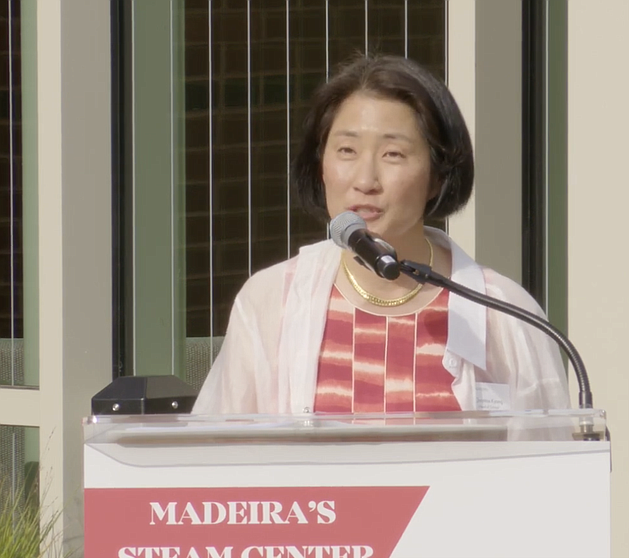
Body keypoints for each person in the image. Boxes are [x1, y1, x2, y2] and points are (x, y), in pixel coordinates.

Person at [192, 54, 570, 416]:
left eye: (393, 154)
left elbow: (547, 466)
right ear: (320, 164)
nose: (365, 181)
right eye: (346, 150)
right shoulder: (271, 300)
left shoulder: (500, 312)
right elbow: (218, 459)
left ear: (438, 176)